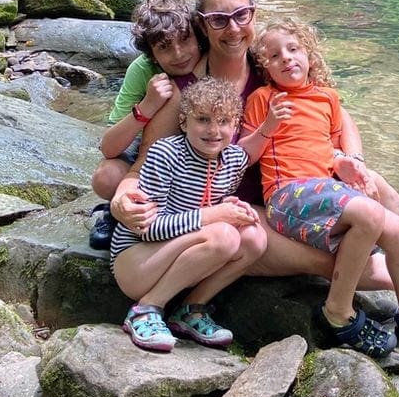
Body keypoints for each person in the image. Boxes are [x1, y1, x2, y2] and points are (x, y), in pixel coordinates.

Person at [110, 0, 399, 331]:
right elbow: (145, 164)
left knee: (376, 186)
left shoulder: (269, 64)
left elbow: (336, 112)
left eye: (241, 15)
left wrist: (351, 159)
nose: (232, 28)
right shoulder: (187, 89)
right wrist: (122, 201)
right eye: (218, 19)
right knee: (327, 262)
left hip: (292, 184)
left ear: (253, 15)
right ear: (202, 23)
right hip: (240, 209)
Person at [243, 18, 399, 358]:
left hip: (324, 189)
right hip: (288, 195)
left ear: (309, 55)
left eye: (293, 49)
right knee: (371, 213)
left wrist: (345, 161)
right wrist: (268, 125)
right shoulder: (263, 98)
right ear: (265, 68)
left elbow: (323, 144)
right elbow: (244, 153)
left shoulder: (327, 99)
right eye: (274, 56)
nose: (286, 58)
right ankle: (337, 312)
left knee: (396, 226)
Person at [110, 78, 284, 352]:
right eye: (203, 119)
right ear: (183, 122)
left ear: (235, 126)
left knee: (255, 237)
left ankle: (190, 310)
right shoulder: (165, 154)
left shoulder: (231, 161)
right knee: (224, 234)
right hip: (136, 263)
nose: (214, 130)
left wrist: (233, 208)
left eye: (224, 121)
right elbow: (147, 228)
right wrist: (216, 214)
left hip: (180, 261)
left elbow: (248, 152)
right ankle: (145, 309)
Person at [88, 0, 202, 250]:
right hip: (148, 152)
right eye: (164, 47)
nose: (179, 54)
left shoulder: (209, 59)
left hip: (196, 148)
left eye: (185, 40)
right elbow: (109, 148)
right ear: (151, 54)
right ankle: (117, 212)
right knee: (105, 177)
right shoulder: (141, 70)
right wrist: (147, 106)